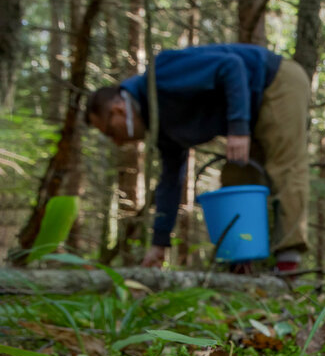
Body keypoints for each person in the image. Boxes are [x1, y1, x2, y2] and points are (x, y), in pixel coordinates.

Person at [87, 43, 310, 273]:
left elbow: (231, 66)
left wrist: (238, 128)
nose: (116, 141)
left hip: (275, 83)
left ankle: (288, 263)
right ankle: (242, 264)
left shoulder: (161, 76)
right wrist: (159, 242)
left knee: (286, 168)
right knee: (238, 176)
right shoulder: (161, 126)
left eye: (110, 132)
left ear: (119, 110)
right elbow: (171, 181)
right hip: (249, 107)